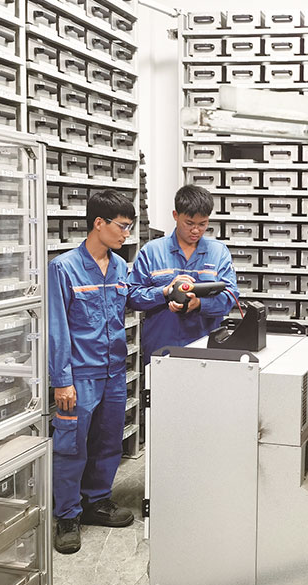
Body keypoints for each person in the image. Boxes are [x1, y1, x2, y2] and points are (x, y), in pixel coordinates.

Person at [48, 190, 137, 554]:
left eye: (130, 227)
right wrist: (62, 381)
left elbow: (133, 299)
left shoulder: (119, 267)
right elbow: (57, 329)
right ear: (99, 223)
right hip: (80, 375)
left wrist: (167, 294)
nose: (126, 234)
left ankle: (97, 501)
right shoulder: (63, 268)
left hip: (114, 371)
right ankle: (67, 515)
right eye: (122, 226)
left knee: (108, 441)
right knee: (71, 446)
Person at [128, 185, 239, 364]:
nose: (196, 230)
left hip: (205, 349)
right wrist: (165, 292)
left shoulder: (218, 252)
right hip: (161, 348)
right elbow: (132, 296)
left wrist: (199, 304)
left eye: (202, 224)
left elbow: (230, 297)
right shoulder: (152, 251)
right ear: (175, 215)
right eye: (189, 223)